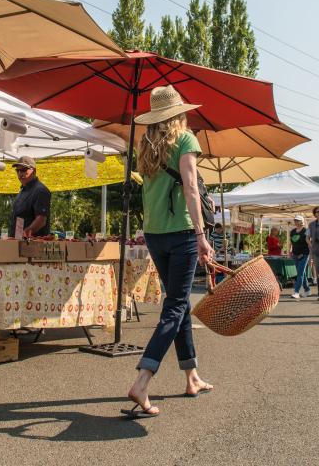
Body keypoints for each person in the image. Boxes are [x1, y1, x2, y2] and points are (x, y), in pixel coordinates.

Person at [125, 85, 213, 419]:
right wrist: (202, 234)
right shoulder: (186, 141)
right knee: (176, 306)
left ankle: (192, 377)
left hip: (155, 233)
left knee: (178, 304)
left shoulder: (144, 145)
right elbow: (191, 187)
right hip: (182, 233)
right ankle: (143, 380)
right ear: (179, 113)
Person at [10, 156, 50, 238]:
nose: (20, 173)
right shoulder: (23, 190)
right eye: (17, 170)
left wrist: (24, 234)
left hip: (33, 245)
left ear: (34, 171)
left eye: (24, 170)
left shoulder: (40, 190)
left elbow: (41, 220)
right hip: (19, 242)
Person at [290, 215, 311, 299]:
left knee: (300, 273)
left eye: (298, 220)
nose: (296, 222)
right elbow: (291, 242)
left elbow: (309, 241)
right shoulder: (292, 231)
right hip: (295, 254)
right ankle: (307, 290)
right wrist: (290, 250)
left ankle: (296, 291)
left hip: (304, 254)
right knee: (302, 273)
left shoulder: (306, 231)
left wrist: (312, 254)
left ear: (302, 221)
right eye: (295, 220)